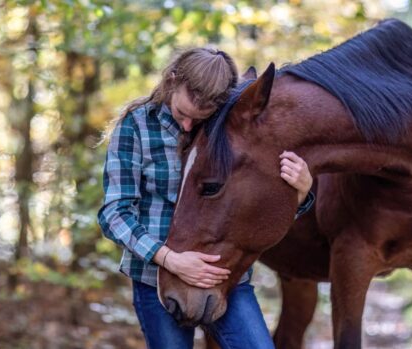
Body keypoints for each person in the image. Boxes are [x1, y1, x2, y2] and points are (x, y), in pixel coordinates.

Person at [97, 47, 315, 349]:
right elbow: (114, 213)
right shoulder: (136, 126)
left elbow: (253, 205)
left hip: (225, 278)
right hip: (155, 279)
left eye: (198, 118)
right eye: (182, 114)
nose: (188, 126)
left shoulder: (227, 126)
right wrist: (170, 259)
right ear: (172, 81)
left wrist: (301, 192)